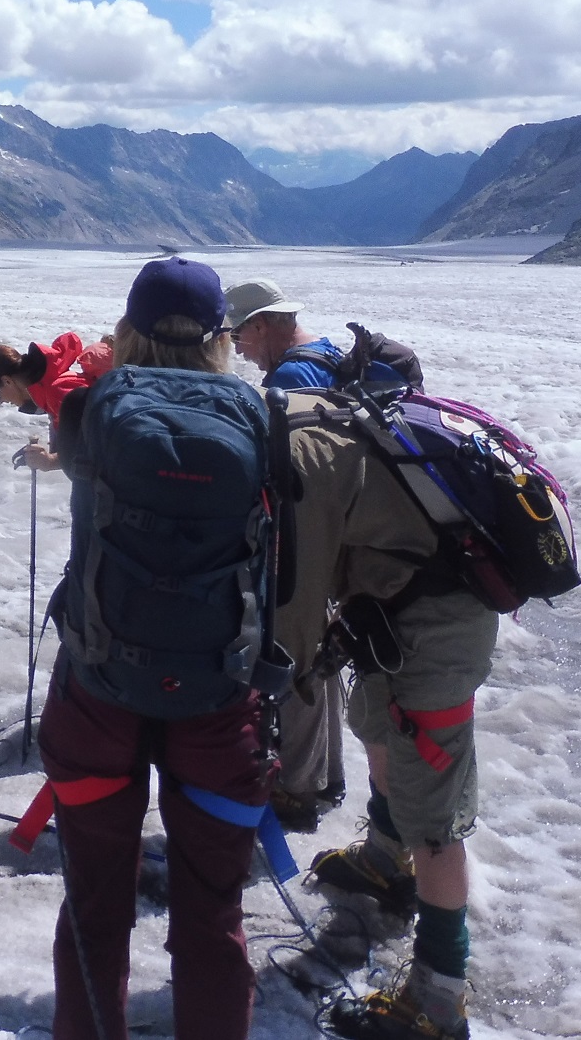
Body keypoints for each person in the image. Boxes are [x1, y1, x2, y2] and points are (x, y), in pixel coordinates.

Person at [32, 257, 277, 1040]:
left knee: (96, 908)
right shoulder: (256, 413)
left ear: (129, 328)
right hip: (218, 696)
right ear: (221, 337)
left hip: (99, 689)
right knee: (213, 913)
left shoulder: (92, 408)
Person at [280, 399, 501, 1040]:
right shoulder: (310, 431)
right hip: (389, 607)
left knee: (434, 814)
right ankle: (385, 860)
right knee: (377, 728)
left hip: (439, 625)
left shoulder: (301, 460)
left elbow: (299, 599)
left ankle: (437, 999)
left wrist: (282, 683)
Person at [226, 276, 353, 834]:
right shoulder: (326, 355)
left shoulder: (293, 378)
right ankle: (326, 774)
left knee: (294, 653)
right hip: (337, 529)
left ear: (262, 325)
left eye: (239, 335)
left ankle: (296, 792)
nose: (237, 348)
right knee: (317, 652)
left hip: (305, 536)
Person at [0, 333, 115, 471]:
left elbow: (95, 450)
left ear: (7, 381)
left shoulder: (58, 392)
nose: (0, 401)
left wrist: (50, 461)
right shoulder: (47, 389)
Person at [225, 276, 345, 388]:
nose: (238, 350)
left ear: (259, 326)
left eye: (235, 337)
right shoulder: (325, 351)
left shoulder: (290, 376)